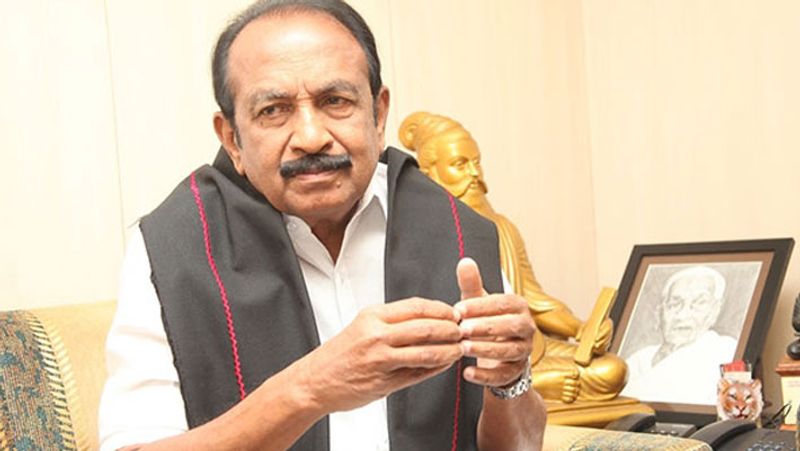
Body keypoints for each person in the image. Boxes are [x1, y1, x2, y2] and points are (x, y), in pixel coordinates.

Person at [98, 1, 546, 450]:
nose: (311, 138)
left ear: (378, 115)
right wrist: (310, 388)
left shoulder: (454, 230)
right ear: (232, 138)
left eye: (336, 102)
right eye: (273, 110)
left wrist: (510, 381)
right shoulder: (173, 248)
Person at [399, 111, 627, 404]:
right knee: (456, 386)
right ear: (430, 173)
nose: (474, 175)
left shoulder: (502, 228)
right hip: (464, 359)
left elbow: (535, 302)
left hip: (528, 346)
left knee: (612, 370)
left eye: (477, 163)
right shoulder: (421, 234)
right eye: (460, 164)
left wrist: (581, 329)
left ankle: (529, 383)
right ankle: (536, 385)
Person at [622, 265, 737, 405]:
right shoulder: (639, 359)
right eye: (674, 304)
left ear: (715, 310)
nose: (682, 315)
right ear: (661, 311)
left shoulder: (726, 350)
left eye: (699, 303)